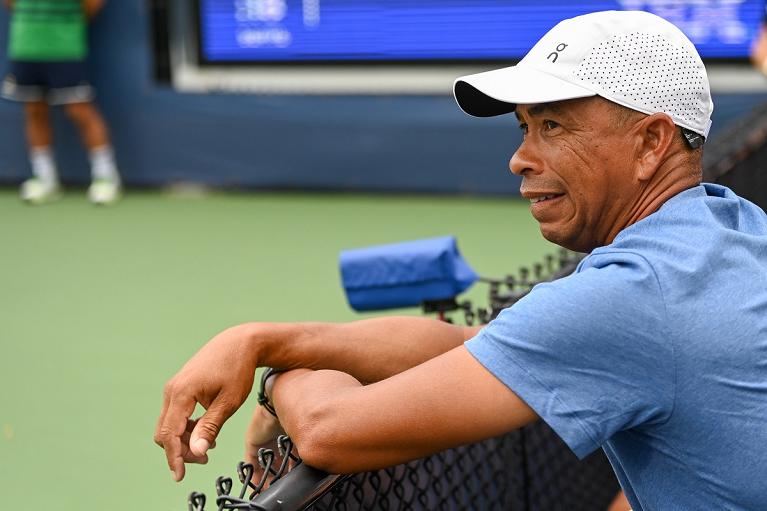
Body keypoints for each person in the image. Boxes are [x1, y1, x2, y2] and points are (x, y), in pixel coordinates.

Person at [155, 10, 767, 510]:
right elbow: (474, 345)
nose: (521, 158)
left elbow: (327, 430)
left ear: (651, 143)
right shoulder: (731, 225)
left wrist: (281, 385)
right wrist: (263, 340)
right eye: (524, 128)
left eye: (553, 126)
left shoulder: (634, 294)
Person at [1, 0, 121, 205]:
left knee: (78, 110)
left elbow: (92, 5)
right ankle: (45, 177)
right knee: (34, 110)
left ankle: (105, 175)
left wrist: (65, 22)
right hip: (25, 46)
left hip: (65, 48)